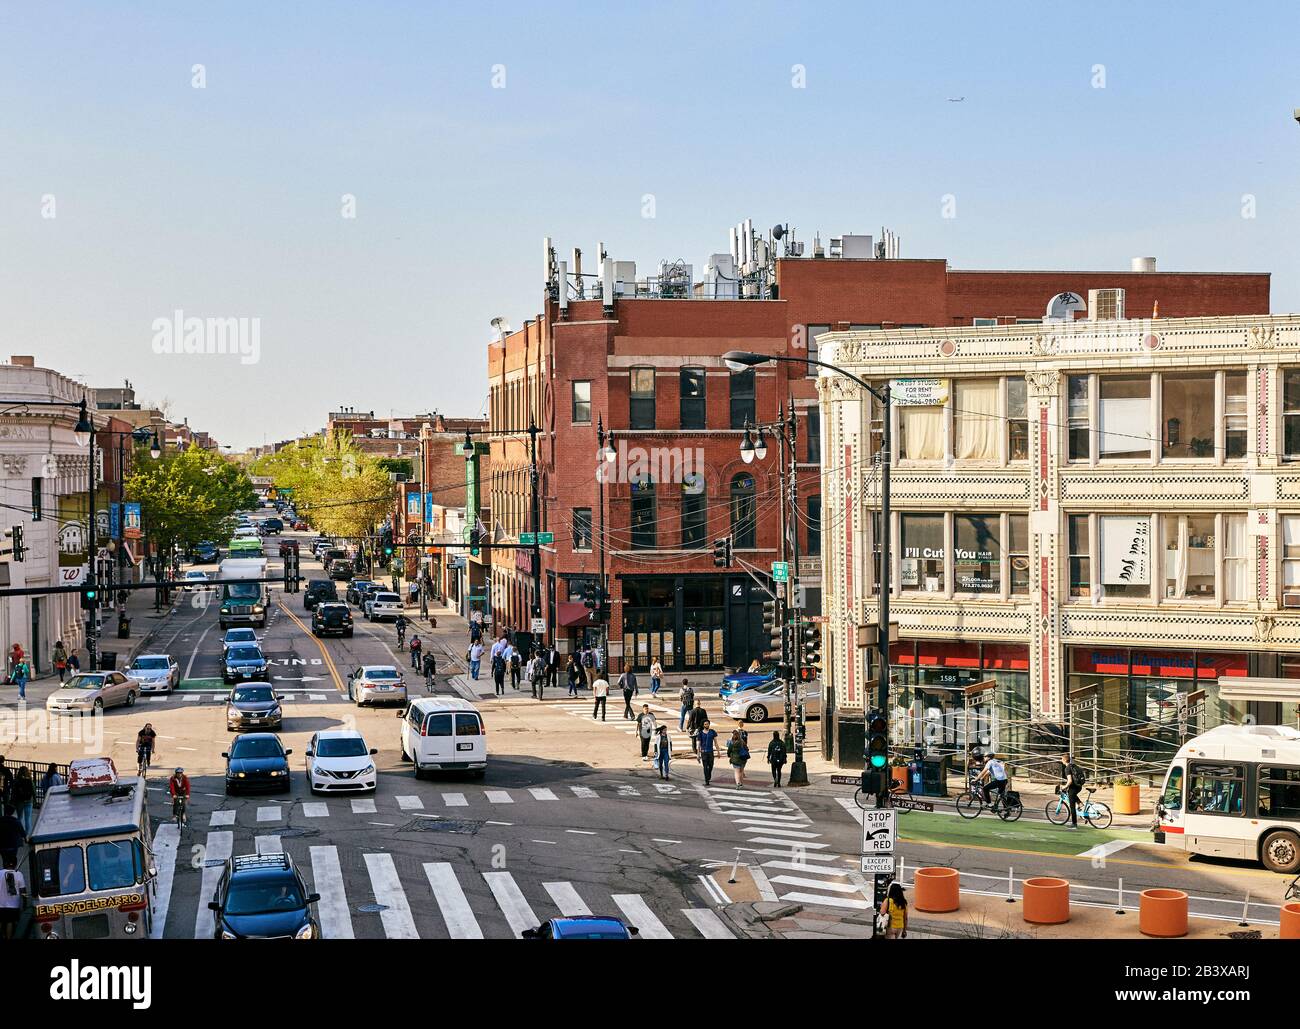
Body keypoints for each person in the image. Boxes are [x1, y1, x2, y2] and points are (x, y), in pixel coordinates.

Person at [0, 855, 26, 940]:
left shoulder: (0, 873)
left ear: (5, 863)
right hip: (13, 905)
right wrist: (24, 904)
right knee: (10, 922)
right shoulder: (19, 874)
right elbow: (23, 891)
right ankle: (8, 937)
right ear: (15, 863)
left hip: (0, 904)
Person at [1060, 753, 1087, 828]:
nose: (1061, 760)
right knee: (1071, 794)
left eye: (1061, 759)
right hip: (1079, 786)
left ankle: (1074, 824)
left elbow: (1070, 781)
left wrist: (1064, 787)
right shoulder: (1073, 765)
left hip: (1074, 787)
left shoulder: (1067, 768)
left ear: (1064, 760)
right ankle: (1080, 804)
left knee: (1072, 806)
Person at [10, 769, 34, 836]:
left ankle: (19, 834)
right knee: (28, 819)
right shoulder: (30, 780)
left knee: (19, 817)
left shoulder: (16, 781)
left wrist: (12, 801)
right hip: (29, 801)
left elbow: (14, 792)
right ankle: (27, 835)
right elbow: (33, 791)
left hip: (19, 801)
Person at [698, 720, 718, 786]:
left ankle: (709, 775)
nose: (707, 725)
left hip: (710, 752)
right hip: (704, 753)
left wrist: (718, 752)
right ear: (703, 725)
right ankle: (707, 780)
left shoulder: (712, 732)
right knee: (705, 767)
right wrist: (698, 755)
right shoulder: (700, 733)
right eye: (705, 724)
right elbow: (699, 744)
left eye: (707, 724)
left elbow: (716, 742)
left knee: (711, 766)